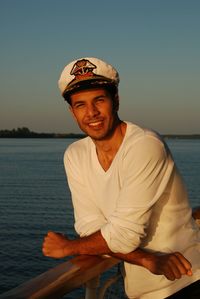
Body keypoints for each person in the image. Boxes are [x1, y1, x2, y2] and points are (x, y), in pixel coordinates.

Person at [42, 57, 200, 298]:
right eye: (80, 105)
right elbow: (89, 228)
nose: (91, 113)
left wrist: (68, 247)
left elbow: (124, 236)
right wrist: (146, 259)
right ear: (72, 111)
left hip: (186, 279)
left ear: (116, 100)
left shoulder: (145, 145)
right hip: (141, 289)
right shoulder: (75, 154)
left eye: (99, 100)